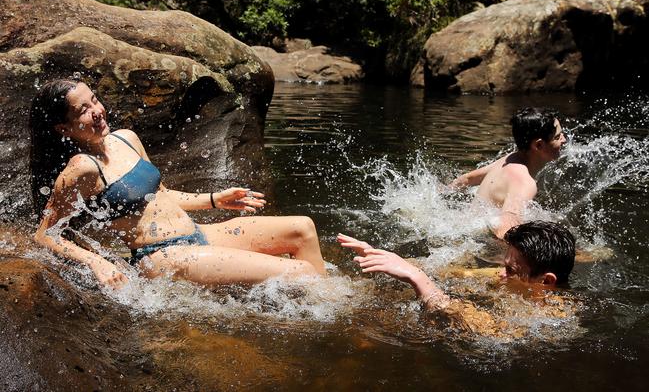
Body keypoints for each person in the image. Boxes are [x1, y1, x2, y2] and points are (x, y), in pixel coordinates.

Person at [30, 79, 326, 290]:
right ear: (63, 128)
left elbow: (160, 195)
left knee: (302, 228)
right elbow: (45, 235)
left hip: (197, 234)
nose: (97, 110)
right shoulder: (81, 169)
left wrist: (214, 200)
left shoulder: (126, 138)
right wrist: (96, 262)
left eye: (94, 99)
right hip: (162, 256)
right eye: (83, 110)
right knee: (299, 272)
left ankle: (323, 309)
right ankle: (331, 320)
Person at [338, 220, 576, 336]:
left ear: (545, 281)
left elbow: (487, 332)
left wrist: (416, 277)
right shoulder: (511, 279)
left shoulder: (554, 318)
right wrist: (382, 256)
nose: (501, 274)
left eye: (511, 271)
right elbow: (452, 272)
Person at [449, 107, 567, 239]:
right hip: (474, 240)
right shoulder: (525, 182)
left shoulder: (509, 159)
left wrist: (443, 192)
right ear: (538, 145)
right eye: (558, 137)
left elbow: (467, 179)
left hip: (462, 226)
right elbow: (506, 226)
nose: (564, 140)